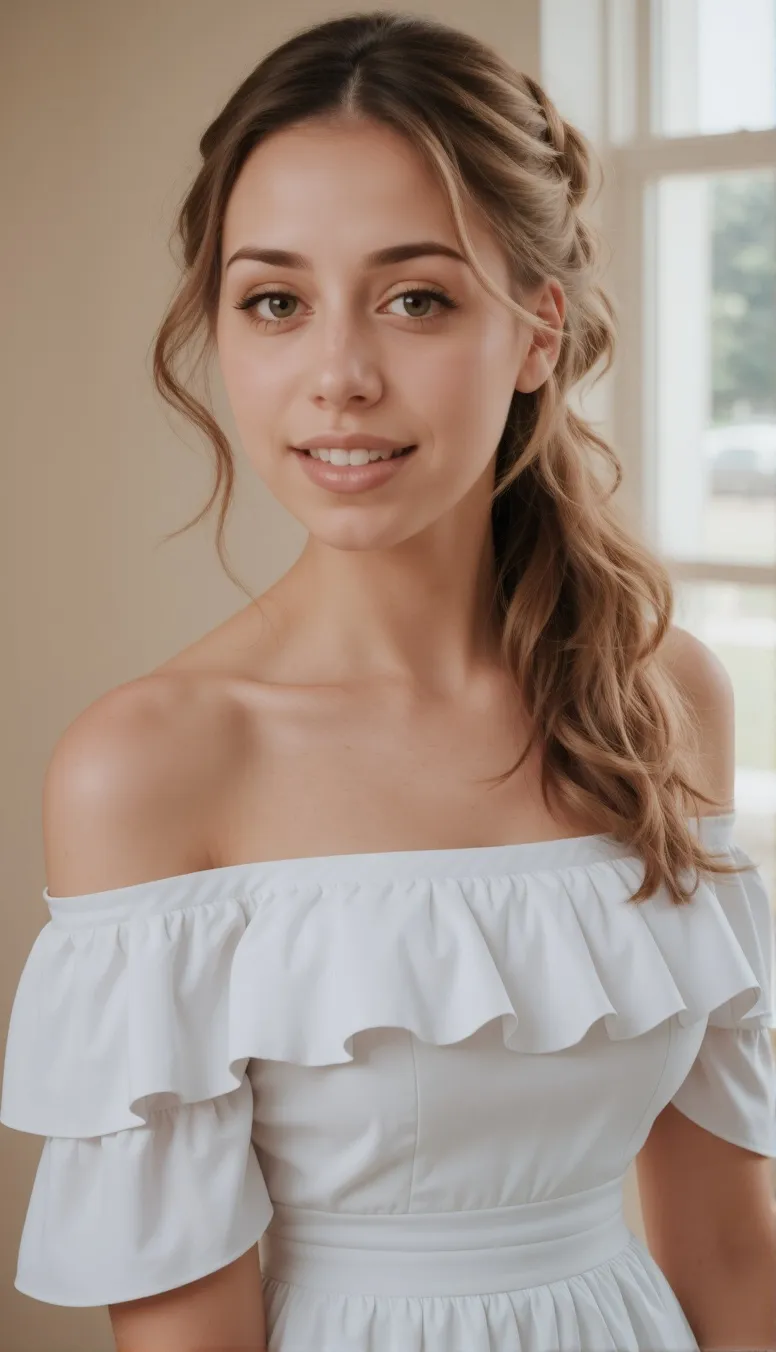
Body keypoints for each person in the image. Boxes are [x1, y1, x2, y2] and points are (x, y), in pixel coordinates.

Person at [2, 10, 775, 1351]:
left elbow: (728, 1250)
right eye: (275, 302)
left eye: (417, 296)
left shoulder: (664, 699)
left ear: (538, 330)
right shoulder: (152, 765)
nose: (340, 377)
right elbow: (185, 1331)